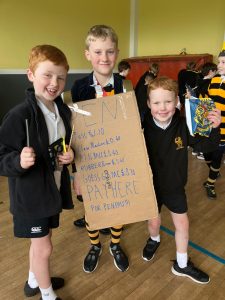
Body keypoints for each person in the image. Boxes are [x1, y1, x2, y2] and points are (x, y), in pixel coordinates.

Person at [0, 45, 75, 300]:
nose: (55, 83)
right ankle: (47, 295)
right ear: (30, 74)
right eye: (47, 75)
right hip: (31, 197)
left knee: (42, 241)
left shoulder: (61, 110)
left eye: (61, 77)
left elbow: (66, 142)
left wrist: (70, 154)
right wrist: (18, 161)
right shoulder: (19, 115)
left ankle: (34, 279)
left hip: (51, 189)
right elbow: (2, 157)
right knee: (44, 247)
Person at [142, 76, 221, 284]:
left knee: (183, 224)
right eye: (156, 102)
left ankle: (182, 264)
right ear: (149, 103)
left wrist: (214, 128)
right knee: (153, 221)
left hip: (174, 186)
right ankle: (154, 239)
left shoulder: (184, 124)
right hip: (149, 186)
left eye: (168, 101)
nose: (162, 107)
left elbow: (205, 147)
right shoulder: (140, 125)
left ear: (176, 100)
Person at [71, 24, 129, 274]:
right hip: (90, 159)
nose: (104, 58)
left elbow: (132, 125)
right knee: (92, 207)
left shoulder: (127, 86)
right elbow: (76, 132)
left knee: (117, 203)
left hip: (118, 156)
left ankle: (115, 244)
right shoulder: (78, 87)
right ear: (88, 54)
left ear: (116, 53)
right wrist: (77, 173)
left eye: (109, 52)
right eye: (98, 52)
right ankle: (95, 246)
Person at [203, 50, 225, 199]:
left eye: (223, 62)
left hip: (223, 130)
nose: (219, 65)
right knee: (206, 152)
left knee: (217, 156)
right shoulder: (215, 79)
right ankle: (214, 170)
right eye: (219, 62)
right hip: (209, 126)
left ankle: (210, 184)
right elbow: (208, 98)